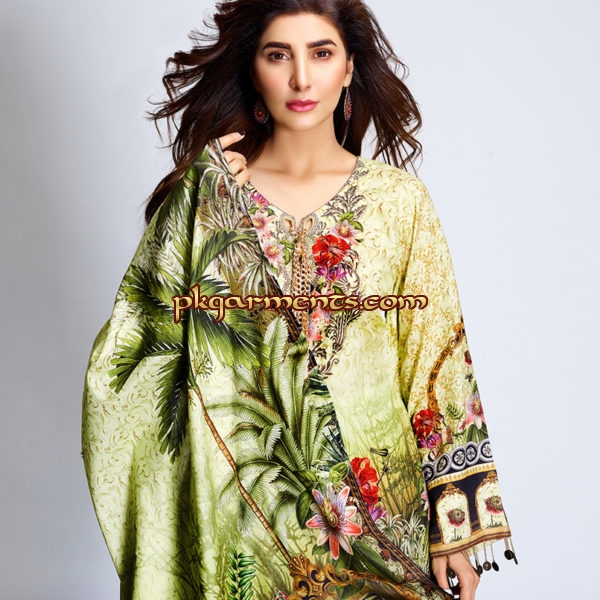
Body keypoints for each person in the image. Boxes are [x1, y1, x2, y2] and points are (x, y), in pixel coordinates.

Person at [82, 1, 515, 599]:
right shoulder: (212, 196)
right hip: (246, 512)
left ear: (349, 68)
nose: (302, 78)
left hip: (378, 509)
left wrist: (454, 531)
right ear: (254, 71)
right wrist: (196, 204)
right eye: (278, 55)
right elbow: (137, 349)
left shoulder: (399, 202)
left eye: (321, 53)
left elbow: (434, 365)